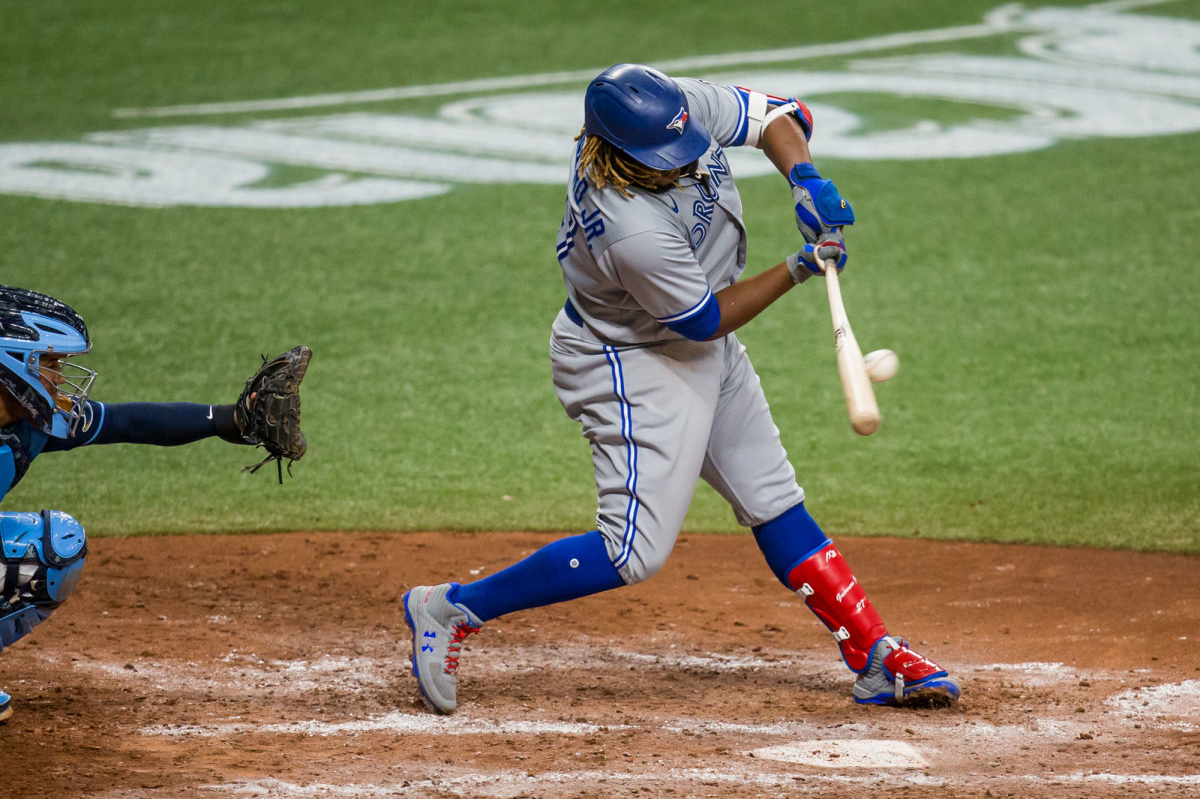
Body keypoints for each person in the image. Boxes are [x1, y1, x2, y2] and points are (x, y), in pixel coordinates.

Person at [403, 64, 960, 714]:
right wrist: (797, 267)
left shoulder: (673, 109)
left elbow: (780, 114)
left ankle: (872, 656)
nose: (682, 158)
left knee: (771, 494)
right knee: (632, 551)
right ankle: (449, 609)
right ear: (616, 151)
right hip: (631, 361)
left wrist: (804, 177)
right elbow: (703, 317)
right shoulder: (626, 224)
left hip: (696, 347)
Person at [0, 285, 308, 724]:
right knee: (25, 553)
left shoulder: (34, 423)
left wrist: (230, 419)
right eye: (50, 364)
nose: (60, 376)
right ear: (13, 364)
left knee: (52, 552)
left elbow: (130, 421)